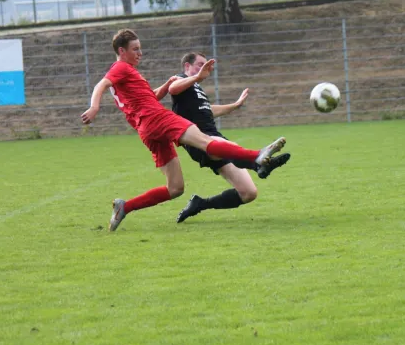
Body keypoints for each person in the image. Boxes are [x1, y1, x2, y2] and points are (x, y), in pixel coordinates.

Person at [80, 29, 286, 232]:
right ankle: (256, 156)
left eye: (140, 48)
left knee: (175, 188)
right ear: (121, 51)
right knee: (206, 141)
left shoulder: (130, 73)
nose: (140, 53)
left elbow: (149, 97)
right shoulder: (120, 68)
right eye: (135, 49)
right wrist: (94, 106)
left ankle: (125, 207)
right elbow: (102, 84)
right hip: (157, 118)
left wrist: (166, 84)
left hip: (146, 129)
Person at [169, 52, 291, 223]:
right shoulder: (179, 79)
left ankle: (200, 204)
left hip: (214, 136)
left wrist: (235, 105)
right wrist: (197, 76)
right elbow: (172, 89)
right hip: (198, 140)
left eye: (206, 65)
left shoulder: (196, 89)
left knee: (248, 193)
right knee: (229, 146)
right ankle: (258, 163)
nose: (204, 68)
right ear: (187, 66)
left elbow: (208, 111)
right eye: (199, 64)